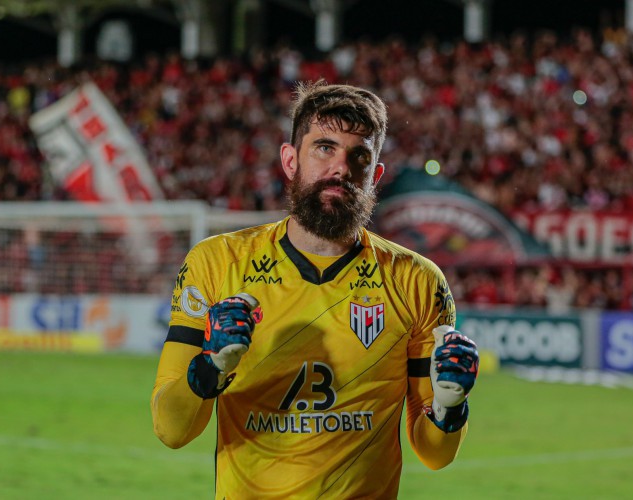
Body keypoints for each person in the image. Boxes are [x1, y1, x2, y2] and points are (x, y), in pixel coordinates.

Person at [150, 81, 479, 498]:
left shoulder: (417, 280)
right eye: (324, 148)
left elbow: (435, 454)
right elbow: (171, 429)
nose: (340, 168)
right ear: (290, 161)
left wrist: (450, 409)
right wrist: (210, 367)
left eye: (358, 155)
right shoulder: (216, 264)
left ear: (374, 175)